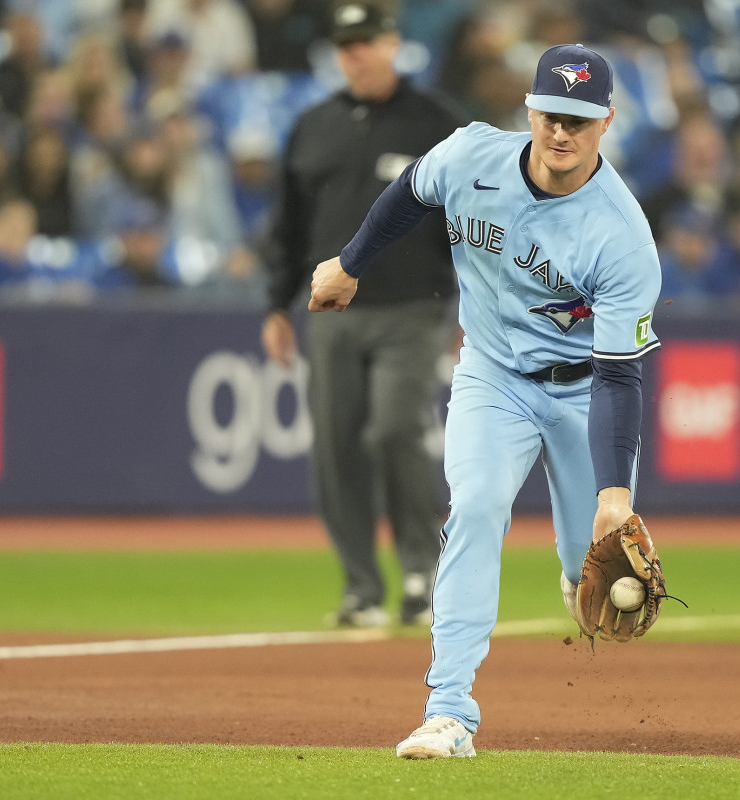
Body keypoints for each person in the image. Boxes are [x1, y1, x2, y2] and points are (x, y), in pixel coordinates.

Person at [308, 42, 663, 760]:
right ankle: (449, 714)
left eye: (580, 120)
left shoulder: (622, 237)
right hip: (491, 377)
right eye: (551, 114)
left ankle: (573, 565)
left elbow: (621, 378)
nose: (562, 132)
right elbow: (410, 190)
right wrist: (350, 266)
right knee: (472, 507)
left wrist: (615, 495)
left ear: (607, 124)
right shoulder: (472, 156)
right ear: (529, 110)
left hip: (584, 393)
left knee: (590, 566)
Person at [260, 2, 464, 629]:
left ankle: (421, 575)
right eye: (347, 44)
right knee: (336, 447)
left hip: (411, 308)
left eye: (368, 41)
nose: (357, 53)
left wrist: (471, 306)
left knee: (395, 429)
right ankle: (361, 588)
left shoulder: (439, 123)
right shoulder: (313, 125)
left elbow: (473, 223)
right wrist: (275, 302)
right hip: (330, 313)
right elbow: (289, 226)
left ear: (392, 43)